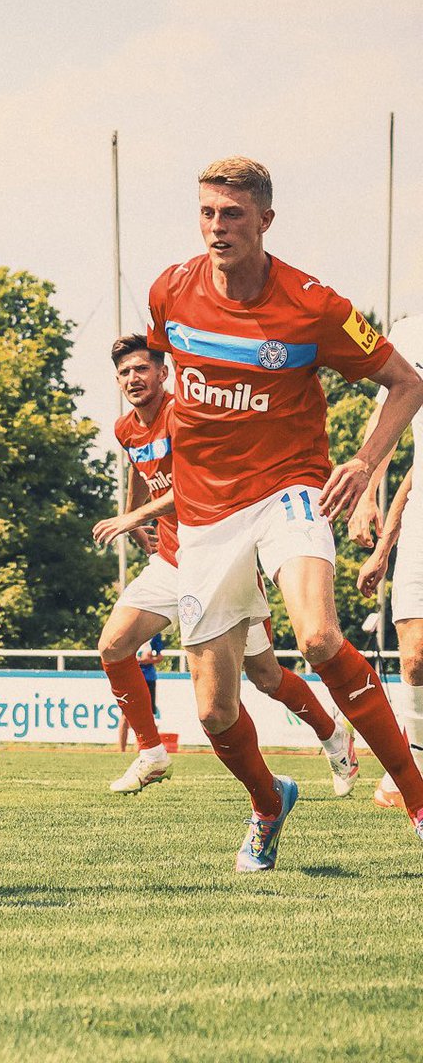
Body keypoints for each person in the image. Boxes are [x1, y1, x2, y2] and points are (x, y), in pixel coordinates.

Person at [145, 155, 423, 871]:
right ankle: (269, 803)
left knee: (320, 636)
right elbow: (171, 385)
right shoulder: (170, 290)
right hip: (206, 517)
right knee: (214, 710)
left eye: (232, 214)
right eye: (207, 212)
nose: (217, 227)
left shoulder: (313, 305)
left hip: (288, 490)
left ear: (265, 219)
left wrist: (364, 463)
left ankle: (419, 801)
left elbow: (406, 382)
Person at [94, 334, 356, 797]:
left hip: (220, 560)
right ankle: (152, 754)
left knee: (266, 677)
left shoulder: (184, 416)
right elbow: (140, 468)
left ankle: (333, 735)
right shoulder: (126, 428)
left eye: (141, 369)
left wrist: (134, 517)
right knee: (113, 645)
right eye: (124, 372)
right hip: (171, 562)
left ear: (163, 373)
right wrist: (135, 518)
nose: (132, 378)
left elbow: (195, 488)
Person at [349, 311, 423, 809]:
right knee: (415, 652)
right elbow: (389, 422)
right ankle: (416, 765)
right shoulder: (412, 330)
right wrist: (367, 493)